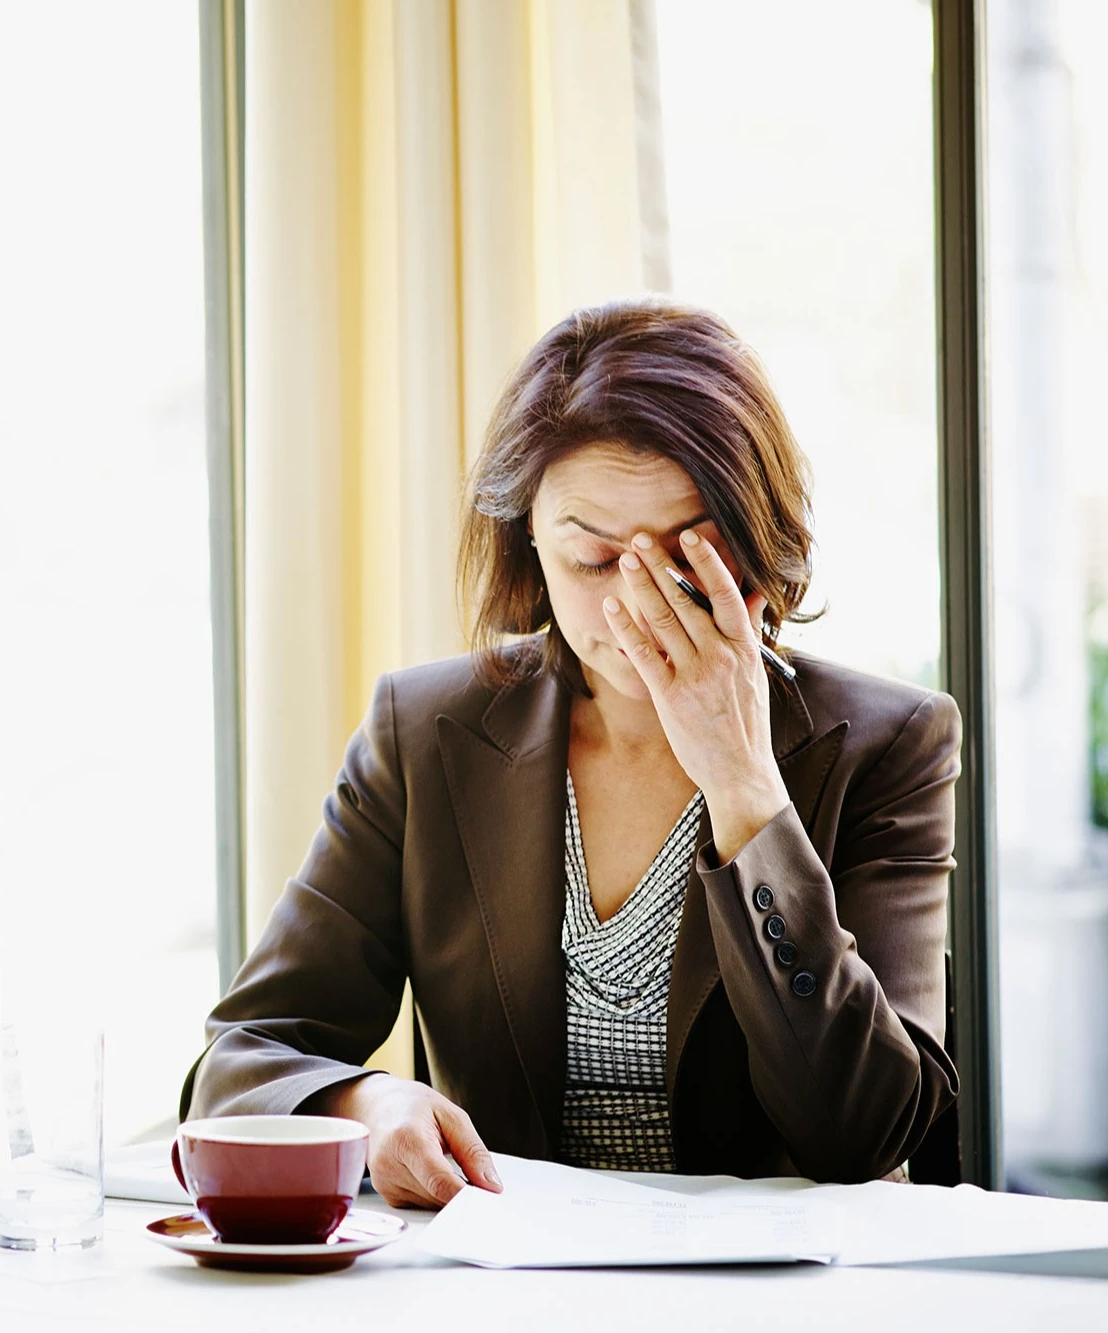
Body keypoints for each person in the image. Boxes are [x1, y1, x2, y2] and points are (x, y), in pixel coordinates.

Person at [181, 298, 960, 1207]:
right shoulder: (425, 732)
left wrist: (745, 783)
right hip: (507, 1280)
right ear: (531, 550)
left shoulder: (888, 742)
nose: (637, 606)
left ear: (754, 545)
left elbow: (863, 1133)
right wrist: (366, 1097)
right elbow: (235, 1068)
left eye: (690, 555)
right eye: (593, 561)